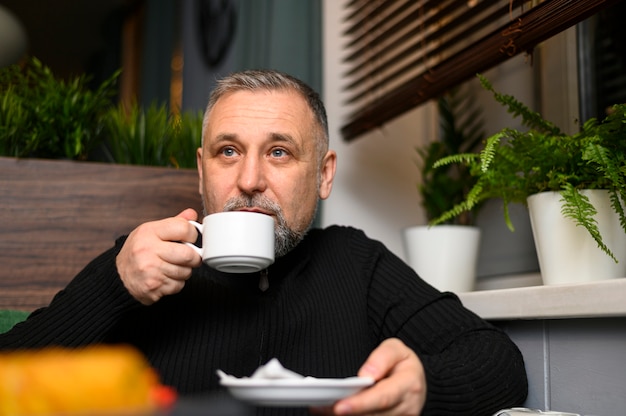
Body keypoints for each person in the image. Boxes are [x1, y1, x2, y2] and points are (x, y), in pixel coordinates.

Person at [0, 69, 527, 415]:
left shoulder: (355, 261)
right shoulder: (142, 263)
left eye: (279, 152)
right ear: (202, 172)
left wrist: (423, 386)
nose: (249, 178)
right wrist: (115, 284)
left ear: (323, 175)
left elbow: (498, 362)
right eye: (229, 151)